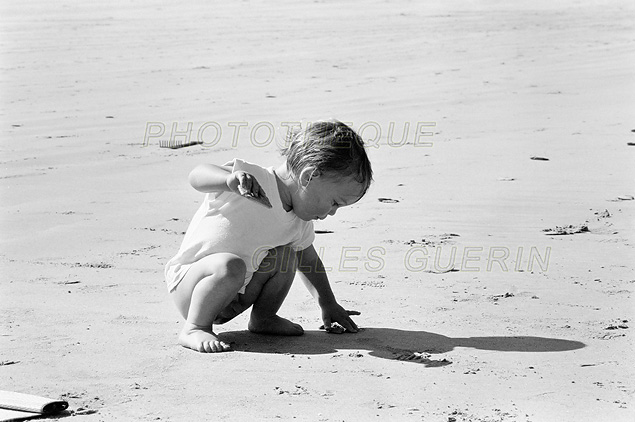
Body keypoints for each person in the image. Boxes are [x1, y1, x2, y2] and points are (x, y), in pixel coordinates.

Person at [165, 120, 373, 353]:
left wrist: (328, 304)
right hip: (191, 287)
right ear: (308, 177)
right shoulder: (252, 179)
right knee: (230, 265)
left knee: (286, 256)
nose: (332, 212)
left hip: (234, 298)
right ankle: (194, 328)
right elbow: (196, 175)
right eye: (334, 202)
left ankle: (263, 318)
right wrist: (228, 181)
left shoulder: (299, 222)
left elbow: (311, 263)